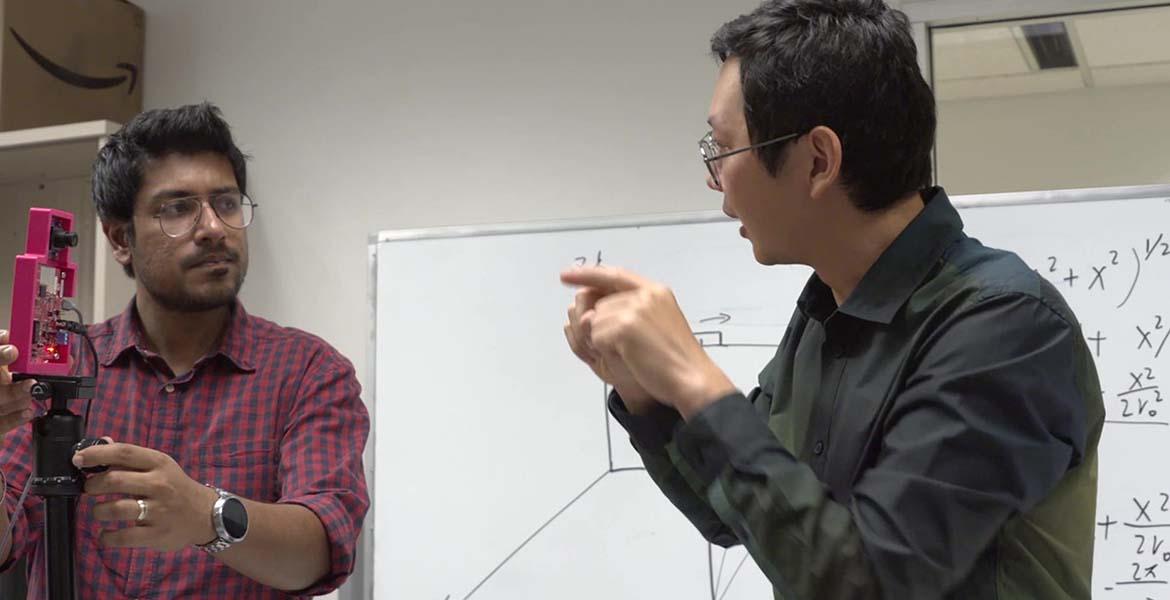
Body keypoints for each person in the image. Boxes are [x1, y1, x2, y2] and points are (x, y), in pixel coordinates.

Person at [561, 1, 1103, 598]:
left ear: (818, 160)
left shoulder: (1005, 325)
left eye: (720, 148)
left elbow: (867, 585)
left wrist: (694, 378)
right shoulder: (826, 311)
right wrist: (642, 390)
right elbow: (735, 514)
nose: (713, 178)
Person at [0, 102, 369, 599]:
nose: (214, 227)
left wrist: (207, 515)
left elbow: (322, 549)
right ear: (119, 238)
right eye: (177, 208)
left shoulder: (307, 371)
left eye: (227, 202)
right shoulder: (62, 371)